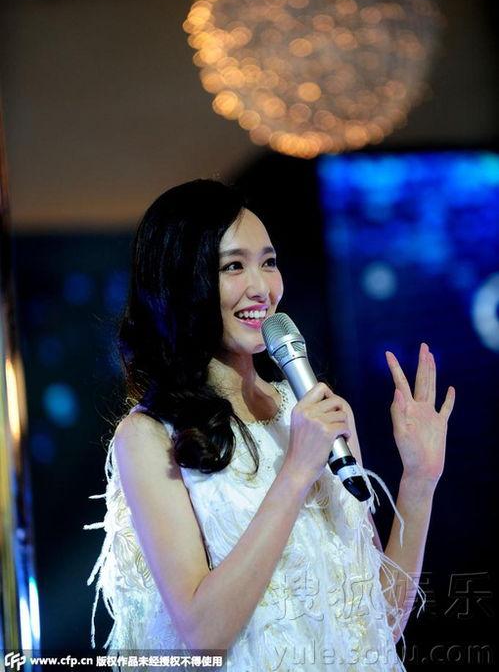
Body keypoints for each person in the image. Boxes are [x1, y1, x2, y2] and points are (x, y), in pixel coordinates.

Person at [84, 178, 455, 671]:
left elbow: (375, 623)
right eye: (233, 266)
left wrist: (420, 481)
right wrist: (297, 470)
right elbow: (202, 634)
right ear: (183, 282)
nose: (261, 287)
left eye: (269, 262)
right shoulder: (149, 437)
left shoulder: (317, 412)